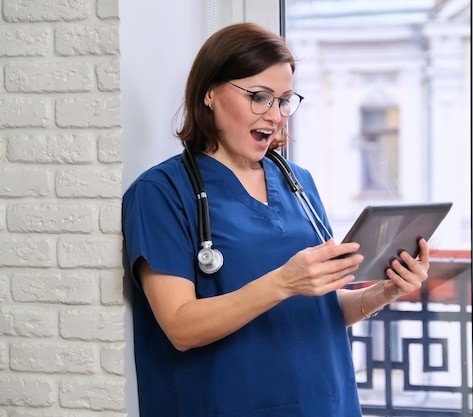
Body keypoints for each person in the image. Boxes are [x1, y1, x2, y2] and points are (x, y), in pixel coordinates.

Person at [122, 22, 430, 417]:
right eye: (259, 97)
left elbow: (323, 307)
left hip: (325, 401)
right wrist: (283, 282)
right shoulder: (161, 193)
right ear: (210, 94)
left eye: (284, 100)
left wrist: (383, 293)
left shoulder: (297, 183)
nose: (276, 115)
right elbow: (181, 327)